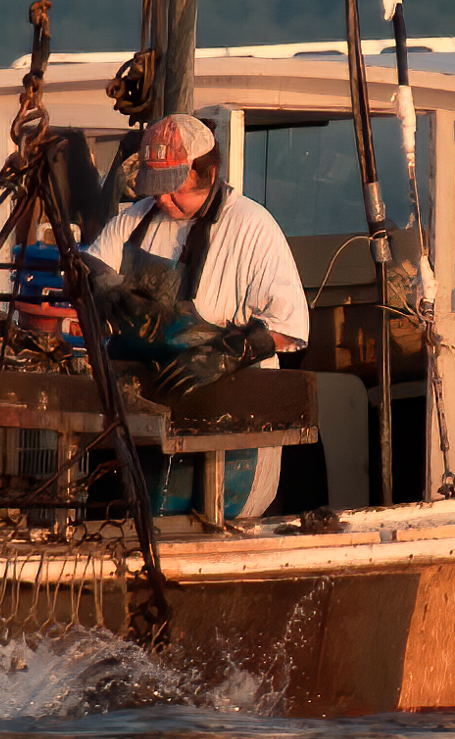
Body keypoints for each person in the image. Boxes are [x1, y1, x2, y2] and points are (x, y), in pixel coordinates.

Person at [86, 113, 309, 516]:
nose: (165, 201)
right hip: (149, 403)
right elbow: (91, 266)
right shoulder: (134, 221)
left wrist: (226, 354)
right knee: (146, 512)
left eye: (176, 192)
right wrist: (99, 283)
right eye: (157, 192)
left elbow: (287, 327)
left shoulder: (251, 227)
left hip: (230, 407)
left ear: (211, 173)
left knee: (215, 515)